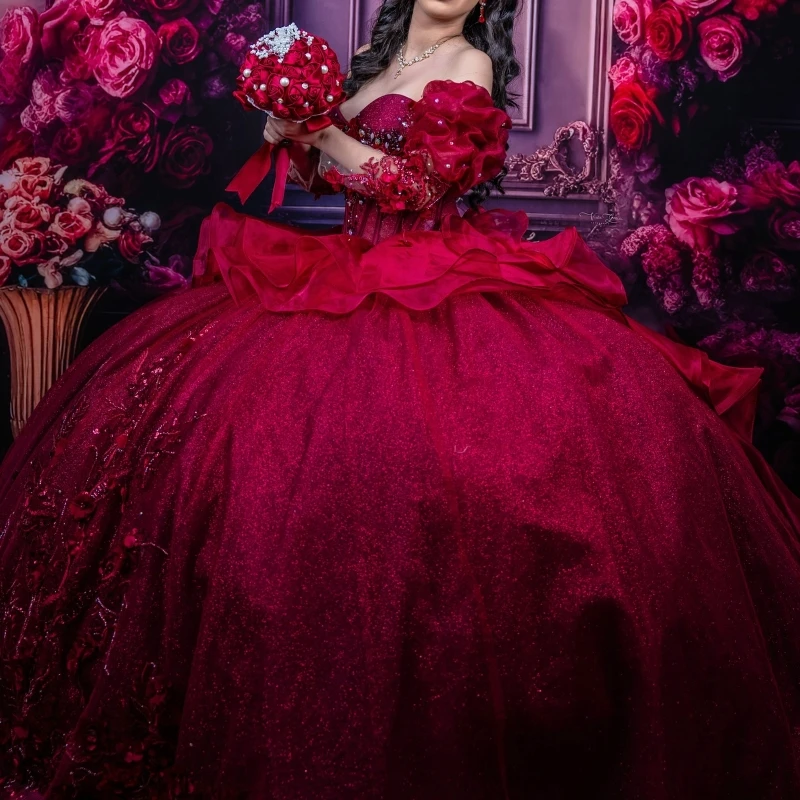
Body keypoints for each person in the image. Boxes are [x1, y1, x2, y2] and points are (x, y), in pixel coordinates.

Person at [1, 0, 799, 796]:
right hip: (349, 263)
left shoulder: (471, 63)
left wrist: (322, 132)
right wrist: (290, 135)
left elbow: (412, 187)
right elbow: (332, 175)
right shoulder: (373, 67)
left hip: (434, 274)